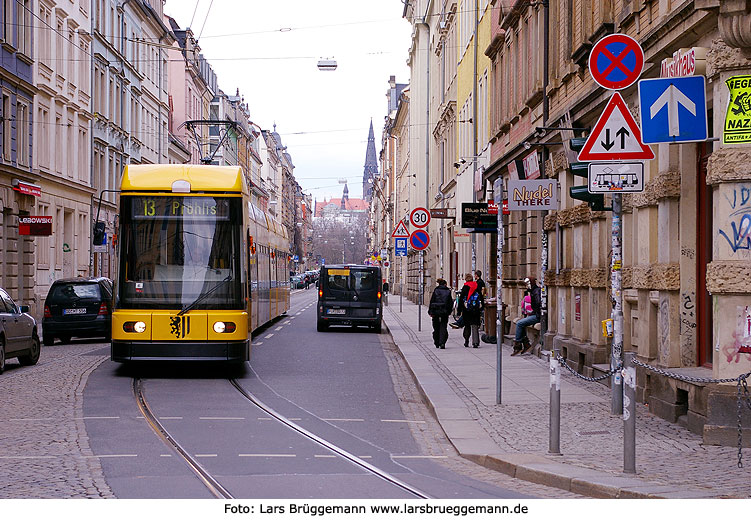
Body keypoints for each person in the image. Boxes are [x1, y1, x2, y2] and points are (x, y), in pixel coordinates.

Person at [512, 277, 541, 355]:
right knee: (522, 323)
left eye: (528, 284)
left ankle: (517, 346)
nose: (527, 286)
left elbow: (538, 304)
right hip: (536, 314)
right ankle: (526, 344)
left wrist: (535, 313)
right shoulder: (533, 291)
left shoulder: (536, 291)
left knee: (519, 323)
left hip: (538, 316)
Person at [457, 273, 483, 348]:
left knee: (467, 326)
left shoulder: (465, 287)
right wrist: (481, 307)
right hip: (475, 310)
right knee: (475, 325)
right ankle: (475, 342)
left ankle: (466, 341)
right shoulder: (476, 286)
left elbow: (461, 299)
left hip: (467, 310)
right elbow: (480, 297)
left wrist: (459, 311)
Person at [428, 278, 453, 349]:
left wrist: (430, 311)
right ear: (445, 284)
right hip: (444, 312)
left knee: (436, 327)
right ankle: (442, 342)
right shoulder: (448, 291)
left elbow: (432, 301)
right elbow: (450, 303)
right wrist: (449, 312)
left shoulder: (436, 290)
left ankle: (436, 342)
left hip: (436, 311)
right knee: (443, 327)